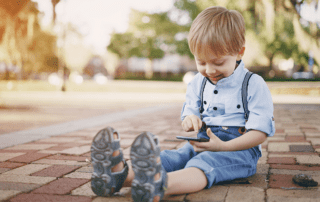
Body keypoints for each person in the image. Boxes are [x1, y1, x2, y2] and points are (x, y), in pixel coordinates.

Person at [90, 6, 275, 202]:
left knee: (205, 164)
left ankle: (160, 185)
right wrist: (190, 120)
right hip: (203, 143)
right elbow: (190, 113)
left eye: (218, 62)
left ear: (239, 53)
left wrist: (223, 147)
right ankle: (120, 176)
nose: (210, 70)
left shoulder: (253, 84)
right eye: (201, 62)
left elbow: (259, 133)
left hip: (239, 151)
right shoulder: (198, 82)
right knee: (173, 157)